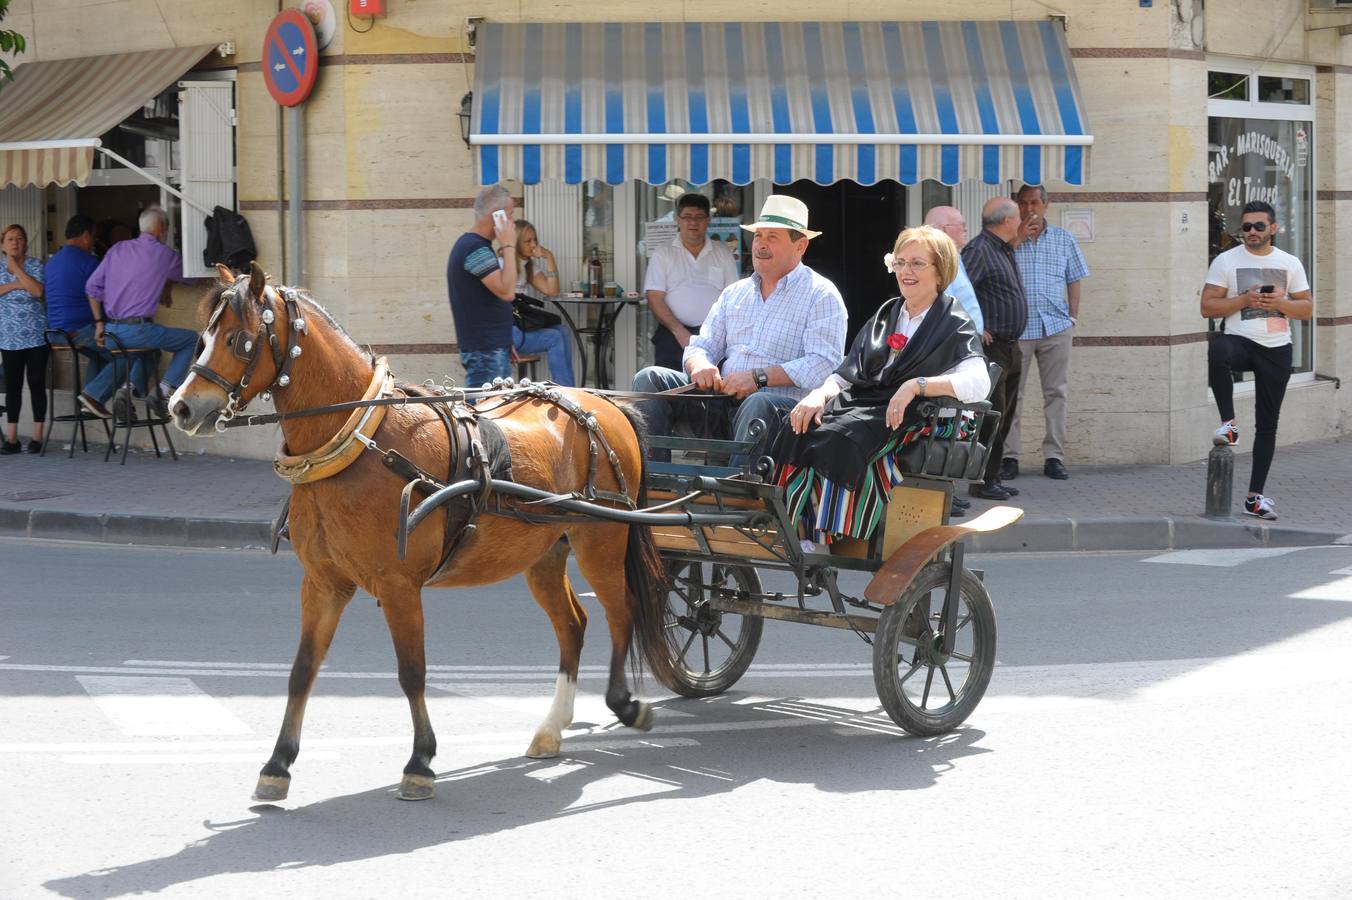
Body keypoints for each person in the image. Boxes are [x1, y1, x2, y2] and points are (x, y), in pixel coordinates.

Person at [772, 226, 990, 550]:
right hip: (870, 403)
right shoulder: (887, 313)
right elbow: (848, 373)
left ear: (940, 270)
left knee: (844, 434)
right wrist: (817, 396)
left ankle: (823, 535)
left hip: (924, 413)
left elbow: (979, 382)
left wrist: (918, 386)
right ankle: (789, 526)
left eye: (917, 263)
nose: (906, 271)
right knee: (796, 426)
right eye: (900, 262)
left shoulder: (954, 321)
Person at [632, 194, 847, 460]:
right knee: (649, 378)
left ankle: (738, 491)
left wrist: (759, 378)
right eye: (758, 236)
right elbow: (701, 345)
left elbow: (823, 365)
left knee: (759, 401)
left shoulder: (821, 294)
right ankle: (653, 481)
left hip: (780, 415)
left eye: (773, 237)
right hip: (721, 403)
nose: (761, 245)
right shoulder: (735, 293)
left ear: (800, 246)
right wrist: (699, 365)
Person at [1200, 199, 1313, 521]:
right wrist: (1243, 300)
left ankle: (1254, 498)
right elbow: (1207, 307)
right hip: (1242, 341)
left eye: (1258, 226)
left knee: (1268, 425)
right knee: (1218, 350)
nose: (1251, 232)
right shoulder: (1226, 260)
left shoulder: (1289, 263)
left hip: (1277, 348)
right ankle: (1229, 424)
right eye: (1246, 227)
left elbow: (1307, 309)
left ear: (1273, 229)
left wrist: (1282, 302)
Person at [1006, 184, 1091, 482]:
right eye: (1023, 203)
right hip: (1020, 328)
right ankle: (1009, 456)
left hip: (1056, 327)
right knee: (1012, 395)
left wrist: (1073, 316)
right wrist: (1016, 239)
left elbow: (1075, 278)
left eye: (1034, 203)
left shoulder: (1063, 239)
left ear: (1046, 204)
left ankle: (1054, 456)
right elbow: (998, 270)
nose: (1029, 209)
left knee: (1056, 392)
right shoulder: (1010, 239)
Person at [80, 206, 196, 421]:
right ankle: (162, 393)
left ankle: (120, 391)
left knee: (143, 353)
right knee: (190, 340)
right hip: (139, 330)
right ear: (161, 228)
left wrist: (99, 324)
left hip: (111, 331)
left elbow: (91, 288)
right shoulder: (164, 254)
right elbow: (193, 276)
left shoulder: (117, 249)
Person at [961, 197, 1027, 501]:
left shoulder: (1001, 248)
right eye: (1017, 215)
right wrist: (978, 327)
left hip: (1010, 347)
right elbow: (959, 292)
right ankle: (984, 481)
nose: (1021, 219)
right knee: (993, 415)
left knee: (1005, 415)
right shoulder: (980, 250)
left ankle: (993, 476)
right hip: (993, 349)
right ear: (1005, 221)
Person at [644, 192, 739, 370]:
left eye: (699, 217)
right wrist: (680, 333)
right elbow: (654, 297)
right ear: (677, 220)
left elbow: (733, 298)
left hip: (714, 338)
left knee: (713, 393)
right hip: (672, 336)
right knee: (671, 392)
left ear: (708, 220)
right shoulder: (663, 253)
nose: (693, 222)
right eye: (687, 217)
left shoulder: (723, 253)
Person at [447, 184, 519, 389]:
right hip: (486, 354)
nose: (513, 223)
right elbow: (507, 291)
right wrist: (509, 245)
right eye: (511, 215)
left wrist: (504, 342)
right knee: (484, 417)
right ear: (497, 217)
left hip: (492, 349)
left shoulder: (475, 246)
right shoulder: (474, 249)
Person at [503, 219, 575, 386]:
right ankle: (565, 391)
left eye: (535, 239)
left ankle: (568, 387)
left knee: (563, 330)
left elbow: (552, 291)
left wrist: (549, 257)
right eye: (528, 241)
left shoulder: (528, 267)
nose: (533, 244)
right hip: (509, 332)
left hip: (520, 327)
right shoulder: (505, 264)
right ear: (516, 242)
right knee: (555, 337)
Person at [43, 215, 110, 389]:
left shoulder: (51, 262)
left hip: (53, 333)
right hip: (79, 332)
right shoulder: (89, 262)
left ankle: (89, 404)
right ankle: (98, 396)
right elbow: (105, 296)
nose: (94, 242)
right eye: (94, 237)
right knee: (124, 354)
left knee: (98, 354)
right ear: (87, 235)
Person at [0, 224, 47, 454]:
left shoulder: (35, 265)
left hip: (36, 335)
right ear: (2, 244)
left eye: (19, 238)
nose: (15, 243)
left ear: (25, 243)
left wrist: (16, 271)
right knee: (13, 386)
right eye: (10, 239)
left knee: (37, 383)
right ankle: (12, 438)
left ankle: (37, 436)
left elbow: (38, 291)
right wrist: (18, 284)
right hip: (9, 338)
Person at [922, 206, 985, 336]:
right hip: (957, 340)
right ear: (944, 229)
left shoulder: (952, 256)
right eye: (962, 224)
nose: (965, 229)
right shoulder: (939, 260)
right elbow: (944, 306)